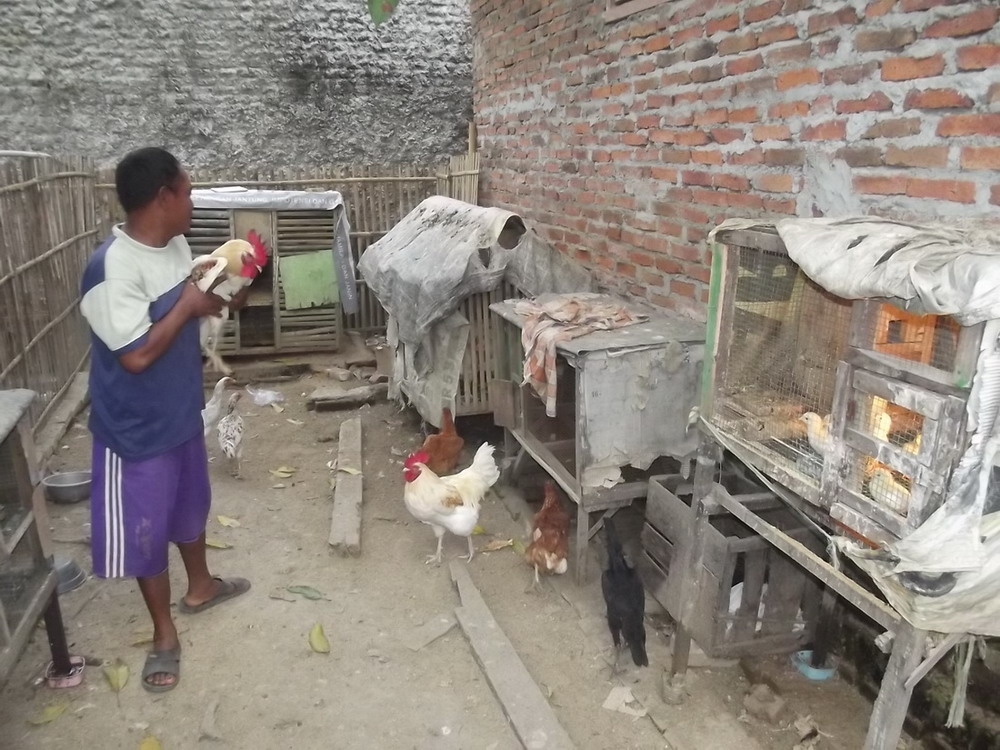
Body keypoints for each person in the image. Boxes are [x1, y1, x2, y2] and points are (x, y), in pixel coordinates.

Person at [80, 147, 251, 692]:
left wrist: (226, 292)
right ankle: (163, 634)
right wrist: (187, 305)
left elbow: (193, 302)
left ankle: (200, 586)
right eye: (189, 191)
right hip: (134, 431)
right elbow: (135, 355)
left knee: (190, 505)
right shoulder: (109, 268)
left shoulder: (175, 246)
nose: (193, 201)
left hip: (180, 412)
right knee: (145, 531)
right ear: (164, 198)